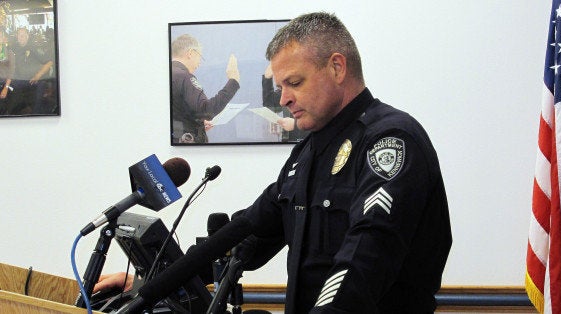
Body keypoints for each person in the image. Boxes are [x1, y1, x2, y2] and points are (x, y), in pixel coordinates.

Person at [99, 12, 452, 314]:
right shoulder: (308, 152)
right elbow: (244, 234)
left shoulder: (390, 141)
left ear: (337, 67)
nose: (283, 98)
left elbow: (364, 260)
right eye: (280, 85)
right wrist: (151, 283)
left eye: (294, 83)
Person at [170, 34, 240, 143]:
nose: (200, 63)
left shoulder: (166, 75)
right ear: (190, 53)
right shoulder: (183, 76)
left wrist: (197, 123)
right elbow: (206, 111)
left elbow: (177, 118)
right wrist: (233, 81)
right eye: (200, 57)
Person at [7, 27, 55, 115]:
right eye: (20, 35)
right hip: (21, 80)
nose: (22, 37)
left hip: (36, 80)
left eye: (24, 35)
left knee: (37, 104)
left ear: (28, 36)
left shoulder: (34, 47)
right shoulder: (14, 48)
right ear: (17, 37)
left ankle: (36, 115)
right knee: (8, 91)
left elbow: (49, 62)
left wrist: (38, 75)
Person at [262, 64, 308, 142]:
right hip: (286, 145)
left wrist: (295, 125)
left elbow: (324, 125)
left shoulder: (315, 91)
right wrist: (267, 78)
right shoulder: (288, 88)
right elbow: (270, 105)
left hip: (308, 145)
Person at [0, 30, 15, 115]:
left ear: (4, 39)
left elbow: (11, 72)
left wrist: (6, 88)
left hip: (4, 83)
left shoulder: (9, 53)